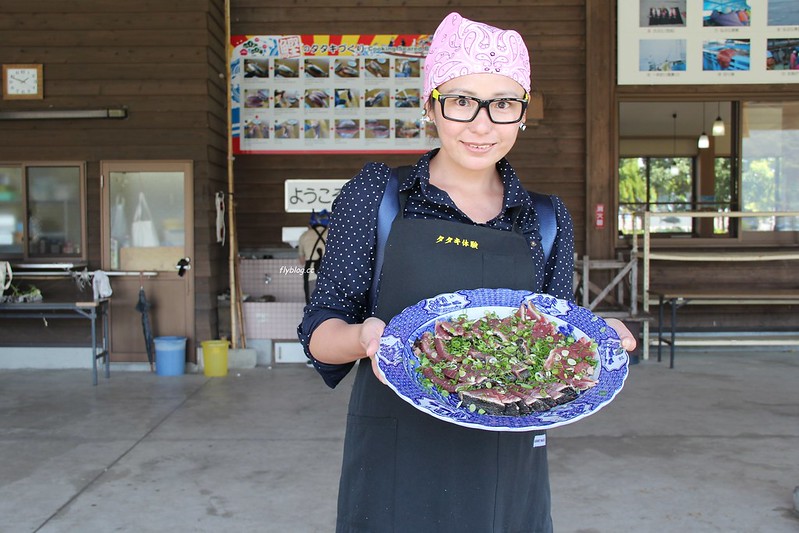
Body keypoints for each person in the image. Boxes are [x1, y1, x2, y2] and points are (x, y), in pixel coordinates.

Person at [298, 12, 636, 532]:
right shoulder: (381, 196)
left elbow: (550, 342)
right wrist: (365, 338)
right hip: (396, 458)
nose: (482, 125)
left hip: (509, 460)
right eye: (461, 102)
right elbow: (321, 333)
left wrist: (592, 343)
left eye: (503, 104)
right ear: (431, 106)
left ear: (522, 113)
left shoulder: (544, 217)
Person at [297, 209, 329, 305]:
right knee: (329, 305)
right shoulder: (332, 234)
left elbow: (302, 261)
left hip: (311, 274)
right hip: (329, 275)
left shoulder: (304, 236)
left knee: (312, 305)